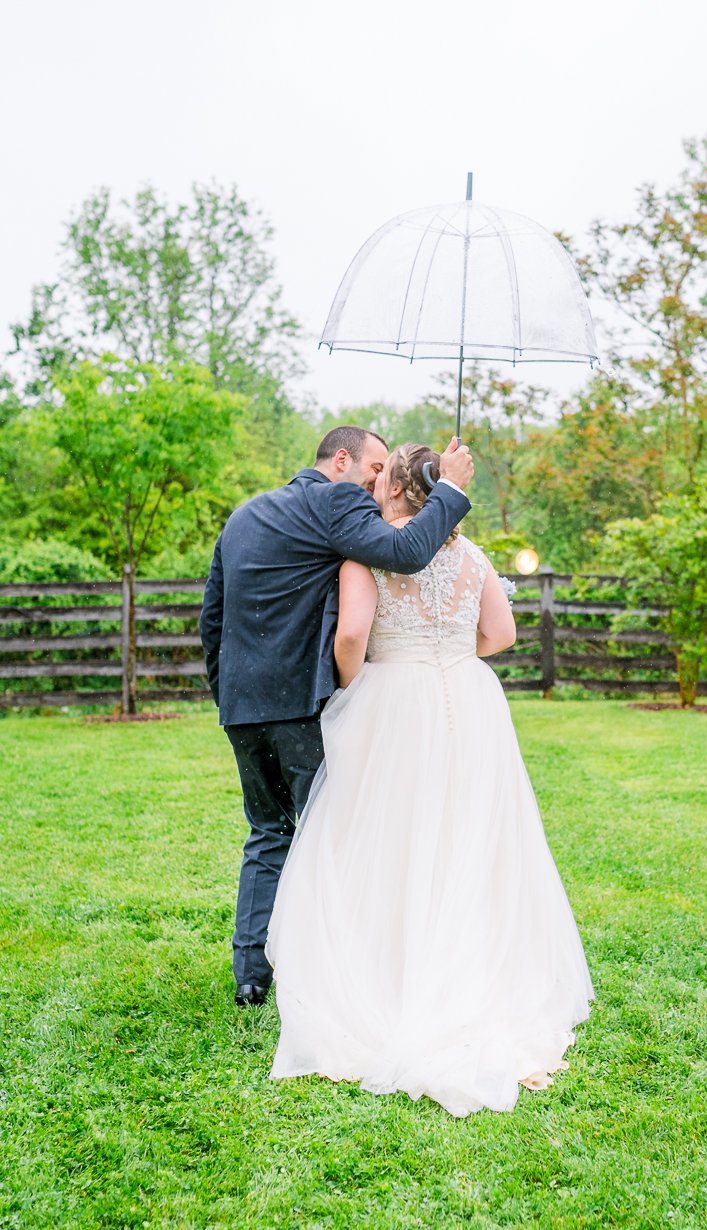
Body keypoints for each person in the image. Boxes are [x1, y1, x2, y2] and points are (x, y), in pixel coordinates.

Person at [266, 443, 594, 1118]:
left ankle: (391, 977)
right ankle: (479, 972)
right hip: (470, 701)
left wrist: (365, 686)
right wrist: (445, 651)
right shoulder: (474, 559)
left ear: (389, 489)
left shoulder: (368, 553)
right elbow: (500, 635)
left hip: (394, 701)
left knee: (387, 836)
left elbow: (351, 636)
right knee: (469, 833)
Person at [200, 426, 474, 1008]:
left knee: (267, 831)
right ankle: (325, 970)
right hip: (302, 703)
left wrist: (226, 692)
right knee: (332, 835)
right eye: (375, 467)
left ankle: (251, 975)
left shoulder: (244, 515)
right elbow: (403, 552)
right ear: (342, 459)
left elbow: (213, 616)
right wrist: (448, 489)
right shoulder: (336, 498)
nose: (379, 481)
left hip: (242, 705)